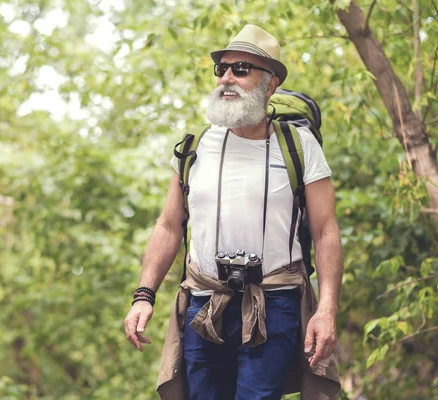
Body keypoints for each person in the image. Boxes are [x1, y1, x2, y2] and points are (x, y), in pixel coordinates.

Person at [124, 24, 343, 400]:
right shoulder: (196, 146)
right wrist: (144, 295)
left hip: (274, 300)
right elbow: (168, 225)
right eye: (222, 69)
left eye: (241, 69)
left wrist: (326, 310)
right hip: (203, 300)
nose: (227, 77)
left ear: (270, 84)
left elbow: (326, 231)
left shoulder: (298, 146)